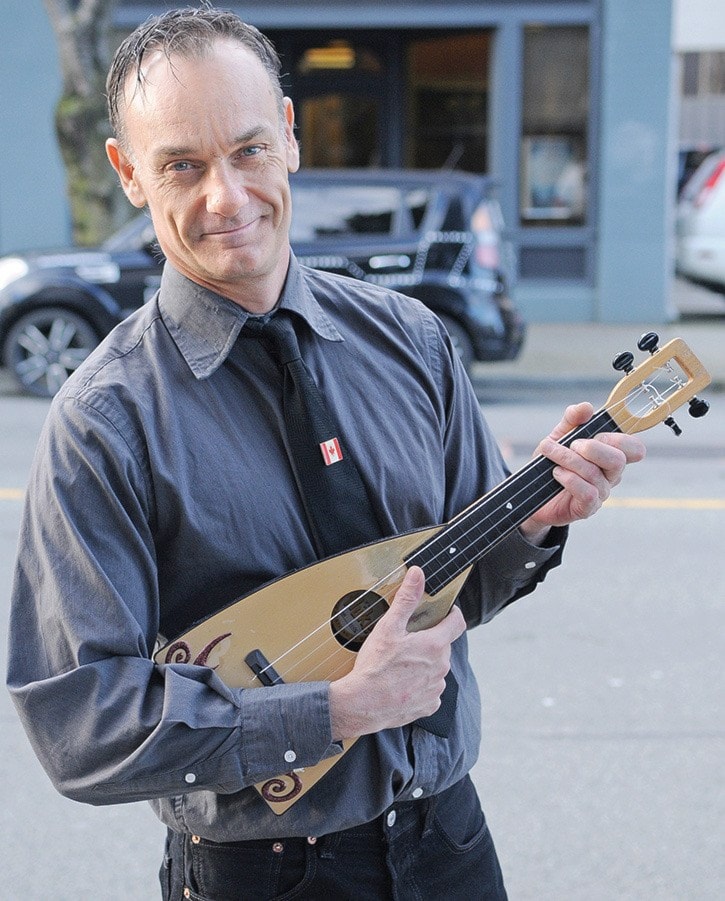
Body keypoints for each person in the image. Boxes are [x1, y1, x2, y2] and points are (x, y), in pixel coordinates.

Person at [6, 6, 645, 900]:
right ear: (127, 173)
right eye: (181, 165)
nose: (225, 197)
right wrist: (335, 709)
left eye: (249, 150)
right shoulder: (104, 421)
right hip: (263, 873)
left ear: (291, 138)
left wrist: (531, 524)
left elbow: (455, 595)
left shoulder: (412, 343)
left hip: (449, 839)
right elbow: (79, 722)